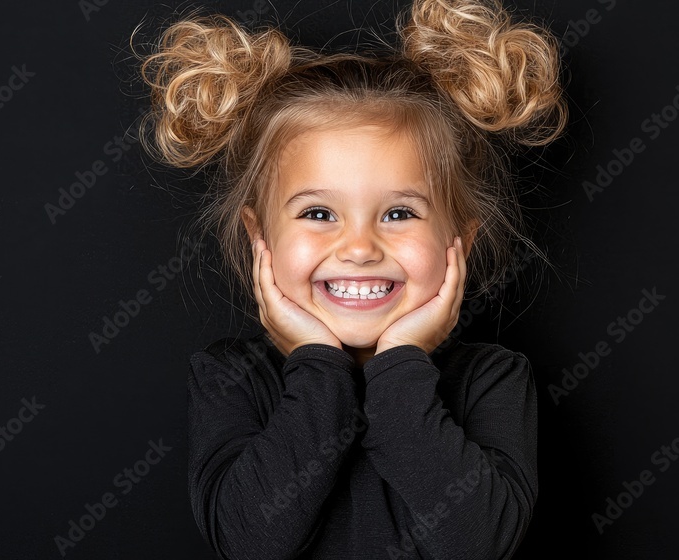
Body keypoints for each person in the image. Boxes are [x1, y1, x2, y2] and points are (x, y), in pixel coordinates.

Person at [136, 0, 566, 557]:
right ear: (258, 236)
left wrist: (401, 364)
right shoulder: (230, 378)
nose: (360, 249)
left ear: (460, 239)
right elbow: (249, 544)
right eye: (318, 213)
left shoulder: (492, 380)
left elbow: (478, 544)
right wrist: (317, 364)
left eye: (399, 213)